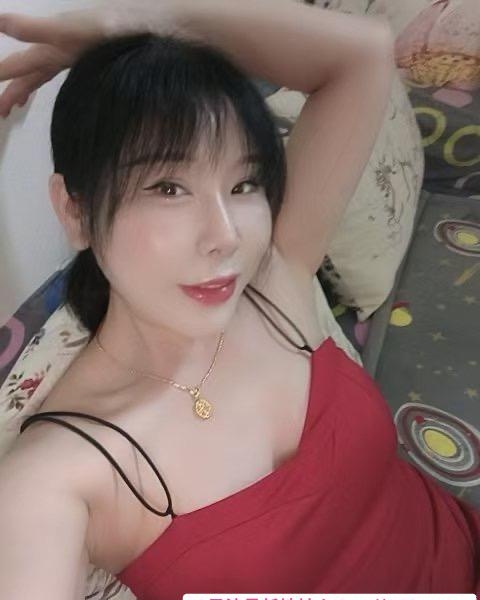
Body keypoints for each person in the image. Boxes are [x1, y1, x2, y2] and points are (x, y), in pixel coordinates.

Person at [0, 1, 478, 598]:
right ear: (75, 212)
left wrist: (138, 22)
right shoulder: (59, 477)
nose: (226, 236)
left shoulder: (274, 280)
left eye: (244, 183)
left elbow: (362, 53)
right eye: (168, 188)